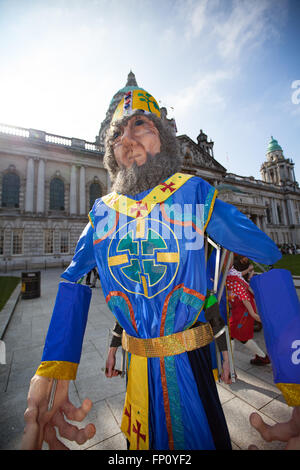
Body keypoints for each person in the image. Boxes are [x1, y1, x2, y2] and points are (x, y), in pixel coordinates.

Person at [21, 87, 281, 451]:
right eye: (116, 134)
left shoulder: (194, 193)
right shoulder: (102, 213)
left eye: (140, 125)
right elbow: (72, 282)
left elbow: (269, 258)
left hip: (190, 365)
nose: (126, 139)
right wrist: (52, 372)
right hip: (137, 370)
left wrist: (295, 376)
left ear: (165, 141)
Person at [226, 255, 270, 366]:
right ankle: (261, 357)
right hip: (241, 308)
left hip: (243, 309)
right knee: (236, 334)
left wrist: (252, 313)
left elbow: (243, 294)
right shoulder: (232, 271)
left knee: (237, 335)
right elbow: (241, 277)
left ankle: (230, 364)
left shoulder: (230, 274)